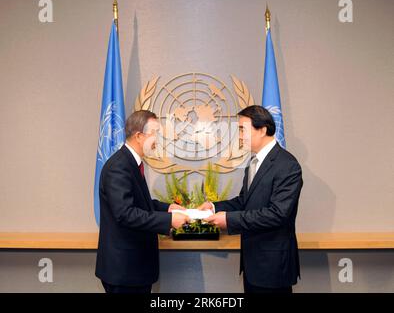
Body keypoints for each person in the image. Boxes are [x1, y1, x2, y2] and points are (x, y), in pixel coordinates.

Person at [200, 105, 303, 293]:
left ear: (262, 129)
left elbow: (277, 214)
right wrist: (213, 208)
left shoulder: (287, 165)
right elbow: (243, 202)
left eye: (242, 129)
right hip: (253, 263)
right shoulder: (254, 163)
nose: (239, 135)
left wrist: (228, 220)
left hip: (273, 266)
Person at [95, 110, 189, 293]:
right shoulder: (119, 167)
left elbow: (140, 203)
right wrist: (169, 221)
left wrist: (167, 208)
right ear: (139, 136)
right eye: (155, 133)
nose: (158, 140)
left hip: (134, 269)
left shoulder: (131, 163)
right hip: (125, 271)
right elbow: (125, 214)